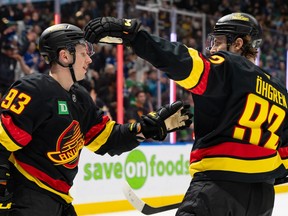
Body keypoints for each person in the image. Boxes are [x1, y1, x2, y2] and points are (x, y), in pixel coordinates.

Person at [84, 13, 288, 216]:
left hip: (218, 187)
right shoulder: (280, 90)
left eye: (217, 42)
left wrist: (136, 37)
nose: (213, 49)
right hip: (263, 198)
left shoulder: (229, 67)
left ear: (238, 43)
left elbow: (183, 61)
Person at [0, 23, 193, 216]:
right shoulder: (33, 90)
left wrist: (148, 127)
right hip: (28, 195)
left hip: (60, 199)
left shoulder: (81, 98)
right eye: (83, 53)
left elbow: (108, 139)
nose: (89, 60)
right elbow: (3, 141)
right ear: (64, 56)